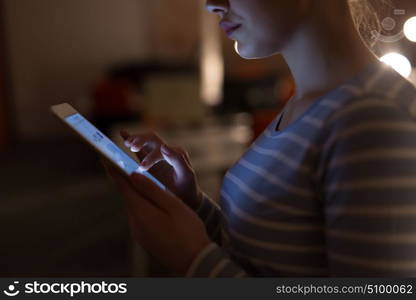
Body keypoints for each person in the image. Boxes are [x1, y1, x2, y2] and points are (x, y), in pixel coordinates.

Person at [103, 0, 416, 277]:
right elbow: (265, 261)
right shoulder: (311, 103)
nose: (212, 4)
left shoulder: (373, 119)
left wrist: (193, 260)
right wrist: (192, 205)